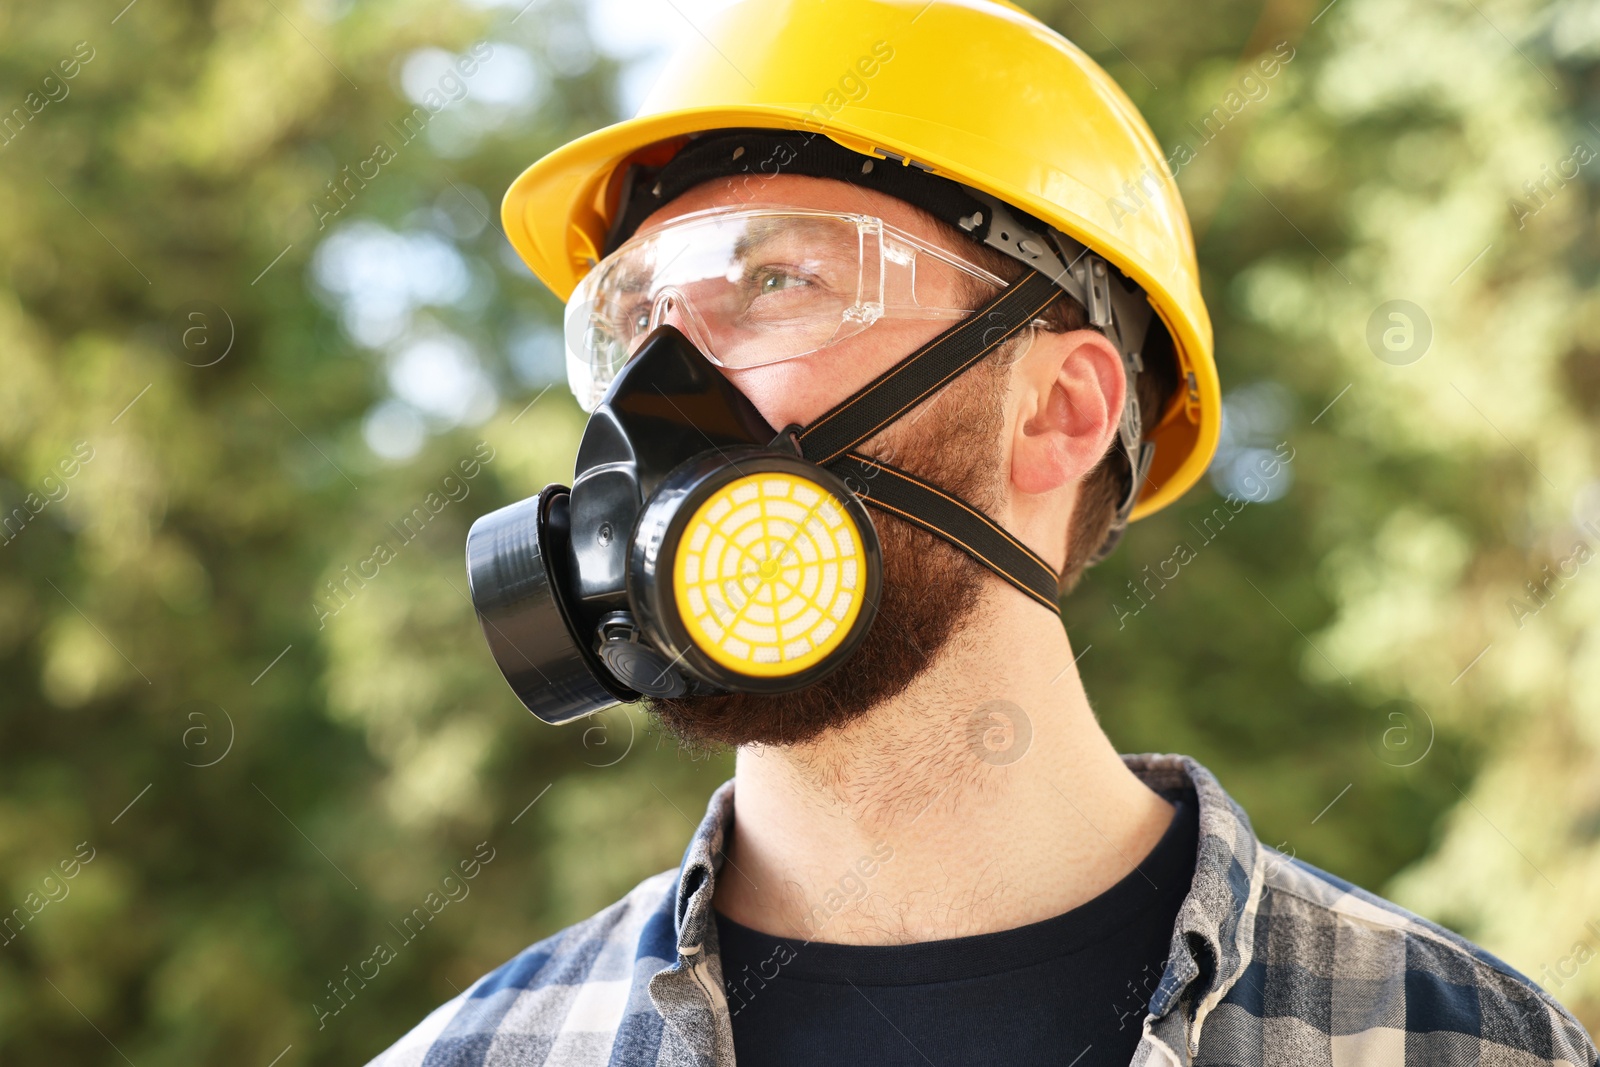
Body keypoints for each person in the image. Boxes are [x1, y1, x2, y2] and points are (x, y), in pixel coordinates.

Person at [369, 1, 1598, 1064]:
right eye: (636, 318)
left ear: (1060, 412)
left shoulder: (1455, 1040)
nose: (660, 391)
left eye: (778, 282)